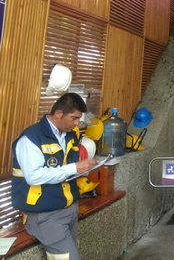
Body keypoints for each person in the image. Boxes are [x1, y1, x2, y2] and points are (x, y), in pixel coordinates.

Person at [11, 92, 99, 260]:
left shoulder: (71, 135)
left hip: (68, 208)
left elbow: (66, 169)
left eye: (79, 119)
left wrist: (83, 168)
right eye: (74, 118)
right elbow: (33, 177)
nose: (77, 123)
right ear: (59, 114)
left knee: (69, 254)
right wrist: (74, 167)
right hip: (45, 214)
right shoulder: (31, 138)